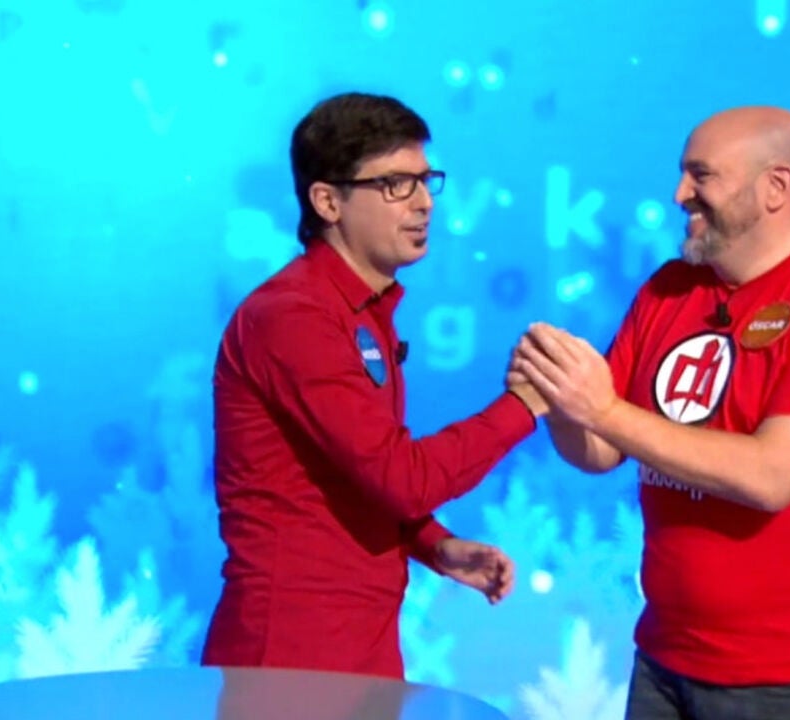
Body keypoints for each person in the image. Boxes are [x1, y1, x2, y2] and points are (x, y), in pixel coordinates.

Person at [513, 106, 790, 720]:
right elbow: (603, 451)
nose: (679, 195)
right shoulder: (669, 288)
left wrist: (601, 408)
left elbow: (771, 475)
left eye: (701, 175)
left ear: (775, 187)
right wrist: (559, 399)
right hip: (666, 658)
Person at [202, 92, 548, 679]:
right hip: (290, 657)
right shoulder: (293, 316)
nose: (423, 202)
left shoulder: (362, 311)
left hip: (360, 646)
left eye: (426, 181)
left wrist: (433, 544)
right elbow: (402, 479)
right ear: (327, 201)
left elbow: (357, 479)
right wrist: (526, 405)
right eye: (394, 184)